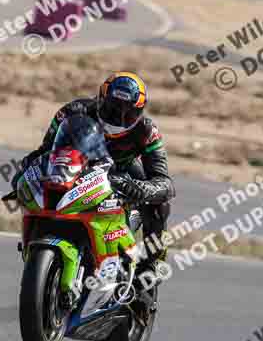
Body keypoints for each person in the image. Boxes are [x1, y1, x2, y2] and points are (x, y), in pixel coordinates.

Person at [13, 71, 175, 284]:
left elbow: (165, 183)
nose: (119, 118)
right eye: (113, 109)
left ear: (139, 112)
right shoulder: (72, 111)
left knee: (160, 203)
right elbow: (45, 152)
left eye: (129, 114)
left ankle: (153, 262)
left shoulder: (147, 130)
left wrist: (138, 189)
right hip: (76, 171)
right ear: (101, 100)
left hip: (121, 174)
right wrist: (24, 171)